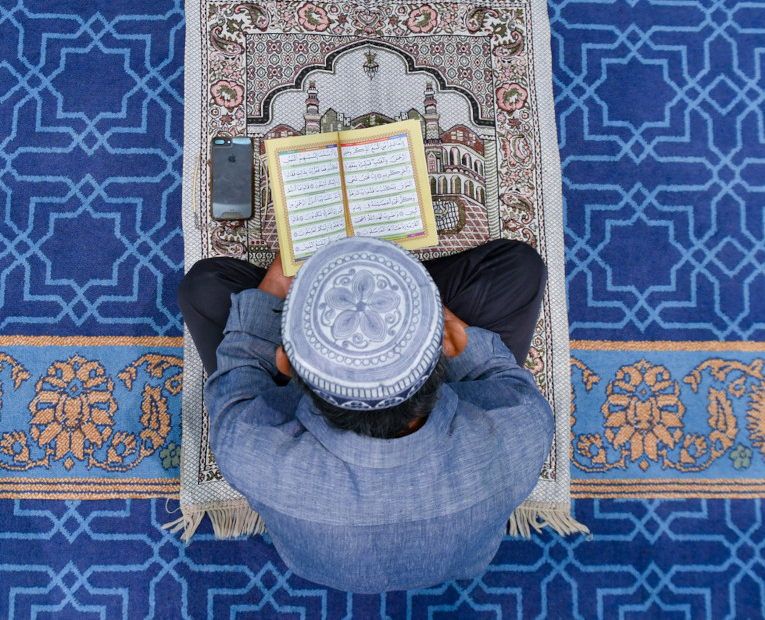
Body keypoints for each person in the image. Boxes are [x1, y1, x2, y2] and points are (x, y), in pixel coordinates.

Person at [177, 237, 553, 593]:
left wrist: (280, 276)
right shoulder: (523, 429)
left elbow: (238, 373)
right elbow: (499, 374)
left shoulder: (249, 450)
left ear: (287, 365)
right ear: (448, 342)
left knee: (204, 287)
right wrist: (415, 308)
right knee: (520, 269)